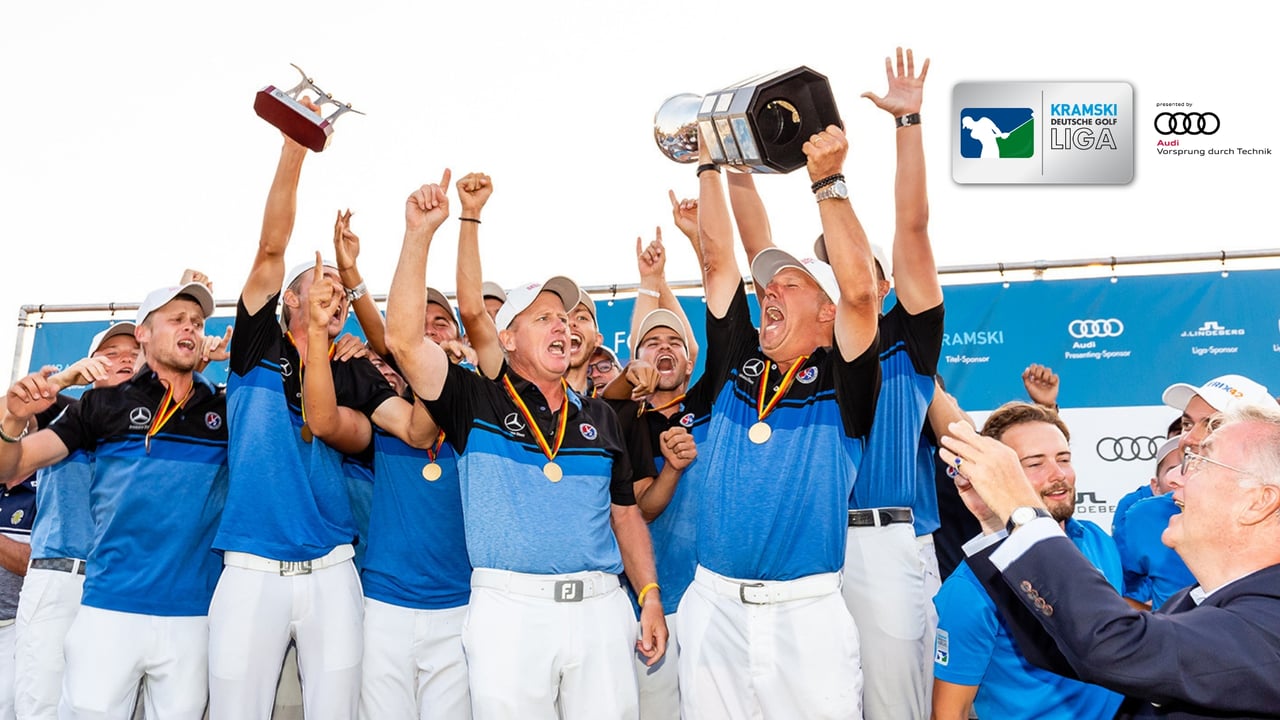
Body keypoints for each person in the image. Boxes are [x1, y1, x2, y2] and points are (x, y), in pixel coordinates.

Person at [385, 171, 666, 719]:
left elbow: (625, 515)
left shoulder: (602, 417)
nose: (563, 326)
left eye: (565, 318)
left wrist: (649, 594)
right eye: (544, 318)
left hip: (601, 608)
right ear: (507, 337)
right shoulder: (473, 399)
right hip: (509, 614)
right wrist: (419, 234)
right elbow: (403, 340)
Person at [675, 102, 880, 716]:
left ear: (826, 311)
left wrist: (828, 180)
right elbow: (717, 263)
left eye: (790, 285)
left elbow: (861, 293)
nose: (771, 292)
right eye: (768, 285)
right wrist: (708, 162)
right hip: (712, 605)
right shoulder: (737, 362)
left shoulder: (845, 376)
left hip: (807, 613)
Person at [209, 115, 401, 719]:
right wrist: (295, 149)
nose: (333, 296)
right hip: (250, 568)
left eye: (341, 293)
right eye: (320, 285)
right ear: (289, 298)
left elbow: (415, 423)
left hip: (334, 567)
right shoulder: (255, 344)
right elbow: (271, 248)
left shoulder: (355, 367)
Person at [939, 399, 1280, 718]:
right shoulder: (1193, 601)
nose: (1174, 477)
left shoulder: (1269, 620)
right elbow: (1083, 648)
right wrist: (997, 524)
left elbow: (1114, 645)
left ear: (1259, 501)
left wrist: (1020, 509)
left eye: (1200, 463)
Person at [1, 282, 227, 719]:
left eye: (197, 323)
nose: (191, 328)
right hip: (102, 604)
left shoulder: (221, 407)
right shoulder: (97, 406)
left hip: (190, 615)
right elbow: (13, 463)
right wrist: (15, 417)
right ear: (145, 333)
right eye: (176, 320)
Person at [931, 402, 1123, 720]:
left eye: (1064, 459)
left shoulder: (1096, 539)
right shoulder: (971, 589)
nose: (1058, 475)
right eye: (1035, 464)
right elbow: (948, 713)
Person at [11, 323, 141, 720]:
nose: (124, 359)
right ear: (90, 364)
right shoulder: (63, 411)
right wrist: (62, 380)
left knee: (107, 708)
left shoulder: (159, 426)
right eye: (112, 353)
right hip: (58, 580)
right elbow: (11, 421)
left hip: (120, 586)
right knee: (41, 705)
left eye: (134, 353)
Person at [1114, 436, 1195, 609]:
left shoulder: (1247, 511)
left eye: (1195, 465)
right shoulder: (1142, 517)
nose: (1180, 477)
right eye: (1174, 469)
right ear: (1155, 486)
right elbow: (1116, 591)